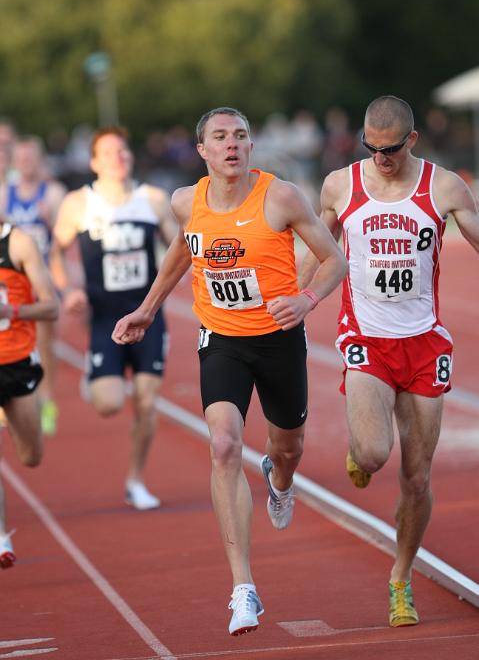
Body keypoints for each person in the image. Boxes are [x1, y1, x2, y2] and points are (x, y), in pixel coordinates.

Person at [111, 107, 347, 636]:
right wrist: (148, 308)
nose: (232, 145)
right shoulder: (185, 201)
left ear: (251, 146)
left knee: (288, 448)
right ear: (203, 151)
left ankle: (279, 480)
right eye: (220, 138)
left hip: (279, 339)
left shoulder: (281, 196)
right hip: (221, 341)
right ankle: (243, 588)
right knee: (222, 445)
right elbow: (182, 246)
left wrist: (306, 300)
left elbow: (334, 260)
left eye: (241, 136)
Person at [300, 95, 479, 628]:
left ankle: (400, 578)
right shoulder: (341, 185)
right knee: (375, 454)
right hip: (367, 340)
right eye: (371, 148)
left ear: (412, 141)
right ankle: (362, 450)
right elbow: (317, 246)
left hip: (425, 344)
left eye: (391, 149)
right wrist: (290, 293)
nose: (381, 158)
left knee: (417, 480)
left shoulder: (444, 187)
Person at [52, 126, 177, 511]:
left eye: (122, 151)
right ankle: (97, 376)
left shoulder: (152, 199)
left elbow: (180, 247)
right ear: (93, 162)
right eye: (108, 153)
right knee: (108, 404)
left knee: (145, 399)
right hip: (105, 317)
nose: (117, 158)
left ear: (130, 156)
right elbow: (56, 251)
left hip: (146, 314)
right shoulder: (78, 204)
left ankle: (135, 480)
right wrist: (68, 290)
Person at [0, 220, 59, 568]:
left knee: (31, 455)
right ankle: (2, 536)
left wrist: (13, 311)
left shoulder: (18, 243)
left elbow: (51, 306)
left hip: (18, 362)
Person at [7, 135, 66, 436]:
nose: (26, 164)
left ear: (39, 160)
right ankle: (14, 398)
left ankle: (47, 401)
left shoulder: (52, 193)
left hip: (43, 279)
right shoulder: (6, 193)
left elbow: (66, 238)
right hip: (13, 281)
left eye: (31, 158)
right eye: (21, 159)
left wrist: (50, 221)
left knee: (44, 343)